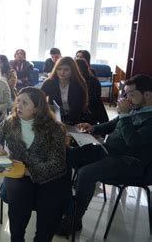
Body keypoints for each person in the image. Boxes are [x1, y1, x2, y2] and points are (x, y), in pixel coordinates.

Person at [56, 74, 152, 236]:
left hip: (129, 163)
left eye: (131, 94)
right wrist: (92, 128)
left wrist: (125, 115)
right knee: (66, 155)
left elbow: (133, 142)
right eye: (125, 94)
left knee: (86, 173)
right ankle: (67, 205)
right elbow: (113, 124)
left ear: (148, 95)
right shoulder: (137, 108)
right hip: (109, 152)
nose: (126, 98)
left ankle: (74, 220)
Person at [0, 87, 69, 242]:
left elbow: (58, 163)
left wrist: (30, 171)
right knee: (19, 203)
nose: (18, 106)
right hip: (18, 174)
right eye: (18, 101)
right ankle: (17, 238)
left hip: (49, 177)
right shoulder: (10, 122)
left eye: (25, 103)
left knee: (49, 210)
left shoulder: (54, 128)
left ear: (37, 108)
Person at [41, 57, 88, 125]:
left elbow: (77, 110)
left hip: (75, 119)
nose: (62, 72)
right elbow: (38, 99)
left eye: (66, 69)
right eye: (59, 69)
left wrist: (66, 123)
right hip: (54, 117)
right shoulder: (49, 83)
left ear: (72, 71)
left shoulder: (78, 85)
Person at [76, 59, 109, 124]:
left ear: (80, 70)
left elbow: (92, 100)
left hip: (90, 112)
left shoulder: (92, 81)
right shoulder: (77, 80)